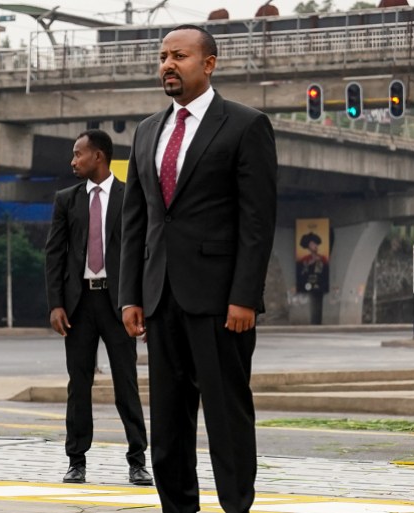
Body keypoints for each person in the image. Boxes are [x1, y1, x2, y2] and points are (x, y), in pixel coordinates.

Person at [119, 25, 277, 513]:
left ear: (208, 64)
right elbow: (136, 220)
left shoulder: (245, 125)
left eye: (179, 56)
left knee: (227, 418)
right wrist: (130, 295)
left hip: (220, 300)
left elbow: (257, 220)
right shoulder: (148, 130)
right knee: (167, 421)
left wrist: (245, 296)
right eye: (163, 57)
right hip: (160, 297)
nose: (168, 64)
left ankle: (235, 507)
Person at [45, 129, 152, 487]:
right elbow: (54, 255)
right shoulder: (66, 200)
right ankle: (76, 461)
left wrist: (141, 303)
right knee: (79, 384)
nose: (73, 161)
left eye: (78, 154)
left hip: (118, 304)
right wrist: (56, 304)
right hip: (78, 305)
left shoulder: (129, 197)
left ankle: (138, 460)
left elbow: (142, 252)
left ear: (99, 156)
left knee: (127, 383)